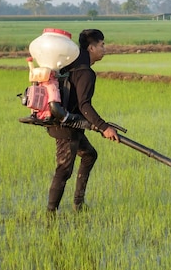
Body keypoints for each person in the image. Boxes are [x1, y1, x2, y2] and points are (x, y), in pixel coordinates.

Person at [46, 29, 119, 214]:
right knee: (64, 169)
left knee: (89, 155)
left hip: (70, 123)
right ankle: (50, 214)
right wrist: (104, 127)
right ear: (91, 47)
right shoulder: (85, 72)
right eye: (102, 45)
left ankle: (78, 203)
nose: (105, 49)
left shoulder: (71, 64)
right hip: (66, 126)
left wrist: (97, 125)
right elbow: (84, 105)